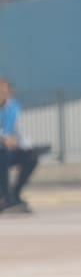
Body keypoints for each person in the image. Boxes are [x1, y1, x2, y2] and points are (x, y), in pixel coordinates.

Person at [0, 78, 39, 212]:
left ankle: (15, 194)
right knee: (2, 155)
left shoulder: (13, 107)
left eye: (4, 91)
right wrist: (3, 139)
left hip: (11, 149)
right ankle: (4, 198)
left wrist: (21, 144)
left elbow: (16, 130)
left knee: (31, 157)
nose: (2, 93)